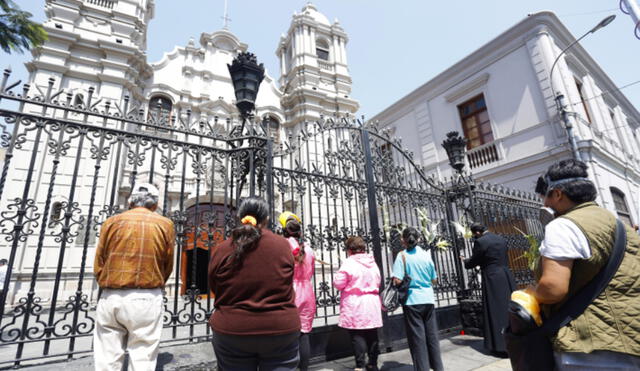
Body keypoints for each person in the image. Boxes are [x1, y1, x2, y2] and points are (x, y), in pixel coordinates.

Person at [531, 159, 640, 370]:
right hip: (630, 335)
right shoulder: (616, 222)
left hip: (592, 347)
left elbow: (553, 288)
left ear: (558, 194)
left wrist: (531, 293)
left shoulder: (563, 225)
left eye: (545, 197)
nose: (545, 204)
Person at [208, 197, 301, 370]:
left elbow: (214, 286)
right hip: (279, 329)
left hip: (232, 330)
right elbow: (287, 279)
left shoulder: (223, 248)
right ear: (266, 219)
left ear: (240, 217)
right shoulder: (282, 245)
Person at [93, 183, 175, 371]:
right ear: (155, 204)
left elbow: (99, 260)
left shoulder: (111, 222)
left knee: (106, 356)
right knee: (143, 356)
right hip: (146, 296)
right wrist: (156, 281)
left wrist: (107, 283)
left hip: (111, 294)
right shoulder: (164, 224)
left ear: (130, 201)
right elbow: (168, 263)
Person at [392, 227, 444, 371]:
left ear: (403, 240)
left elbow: (397, 280)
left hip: (412, 300)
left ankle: (422, 368)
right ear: (419, 239)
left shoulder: (401, 256)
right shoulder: (426, 255)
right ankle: (438, 367)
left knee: (417, 338)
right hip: (428, 298)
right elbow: (434, 279)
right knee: (432, 335)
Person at [462, 223, 515, 356]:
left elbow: (474, 261)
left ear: (477, 233)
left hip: (492, 277)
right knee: (508, 308)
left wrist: (465, 261)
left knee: (495, 310)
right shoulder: (501, 239)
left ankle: (500, 345)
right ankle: (514, 342)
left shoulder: (481, 242)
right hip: (506, 275)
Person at [333, 236, 382, 371]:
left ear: (350, 250)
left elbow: (338, 283)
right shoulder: (372, 262)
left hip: (355, 303)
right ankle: (373, 363)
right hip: (371, 302)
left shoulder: (348, 263)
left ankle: (360, 365)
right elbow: (378, 279)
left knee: (357, 334)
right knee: (372, 334)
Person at [280, 211, 316, 371]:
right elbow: (312, 271)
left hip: (290, 291)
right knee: (304, 333)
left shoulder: (283, 247)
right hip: (307, 291)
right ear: (300, 232)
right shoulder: (309, 250)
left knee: (286, 333)